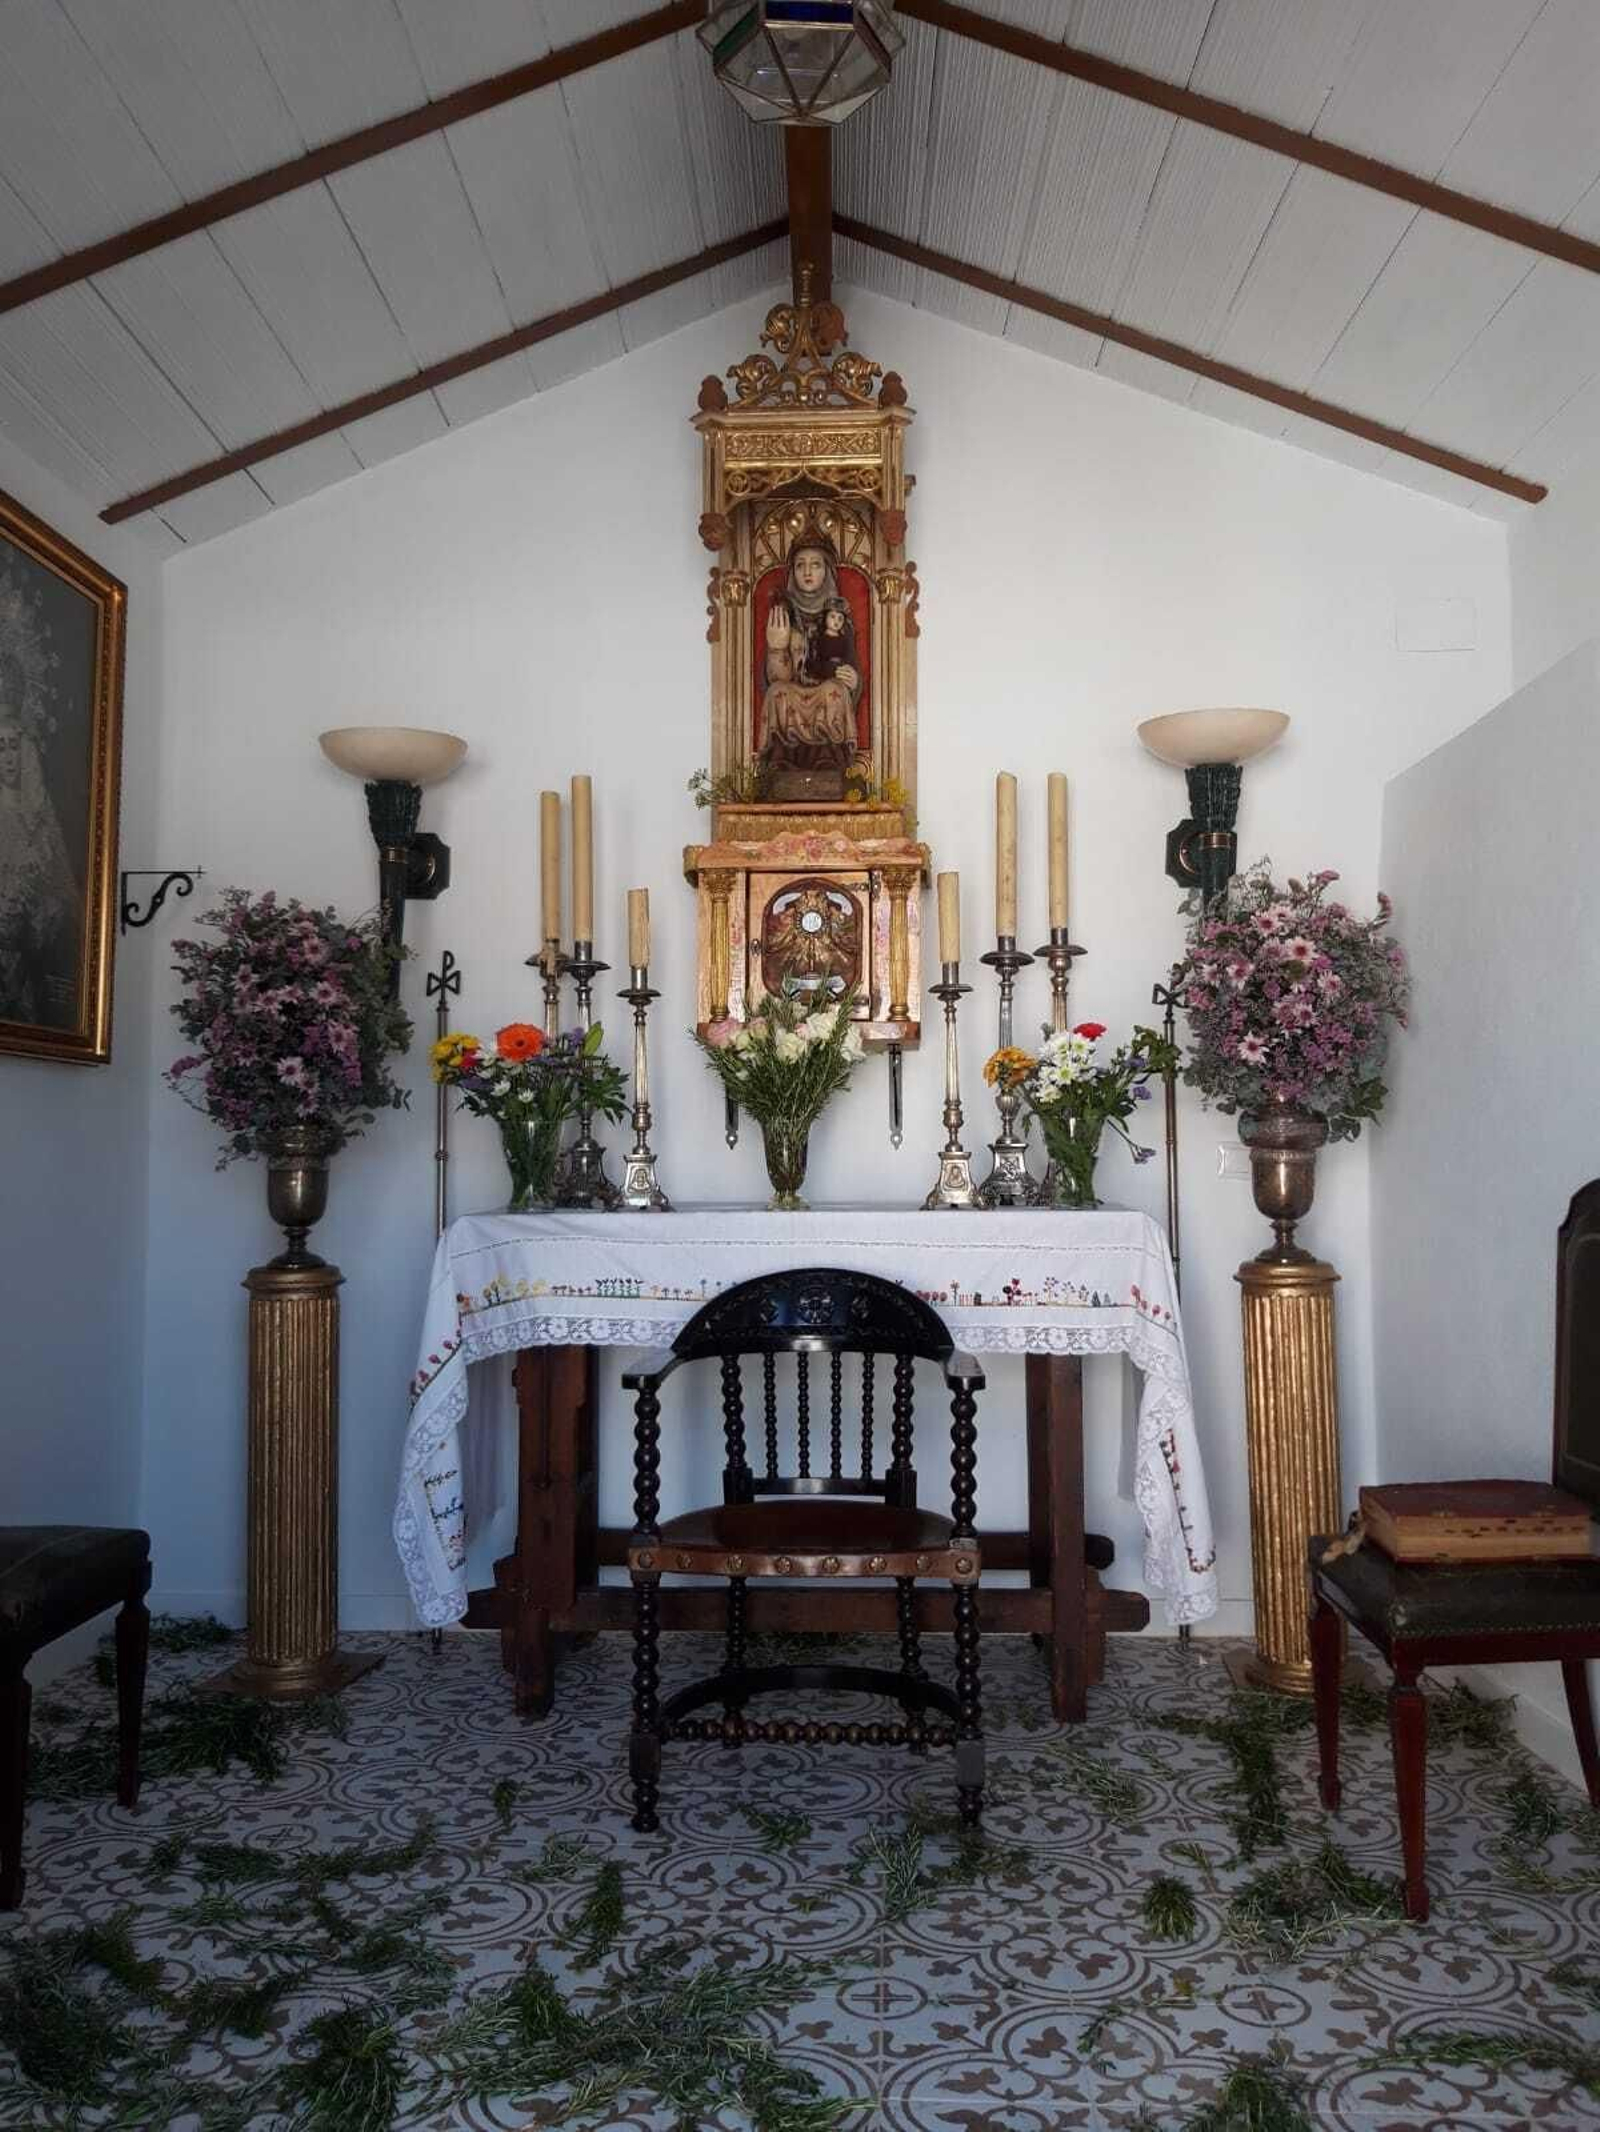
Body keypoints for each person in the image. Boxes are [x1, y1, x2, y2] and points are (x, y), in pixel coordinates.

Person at [0, 660, 80, 1027]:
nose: (9, 757)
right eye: (0, 747)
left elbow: (61, 896)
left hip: (26, 956)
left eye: (14, 745)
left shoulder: (38, 811)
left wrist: (38, 910)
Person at [759, 538, 863, 800]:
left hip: (825, 693)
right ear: (791, 572)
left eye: (815, 565)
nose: (807, 572)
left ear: (826, 571)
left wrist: (851, 680)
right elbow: (775, 680)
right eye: (800, 565)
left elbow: (850, 667)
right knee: (778, 693)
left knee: (833, 691)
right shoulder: (783, 615)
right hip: (793, 692)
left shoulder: (838, 618)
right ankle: (782, 762)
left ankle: (828, 760)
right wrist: (776, 647)